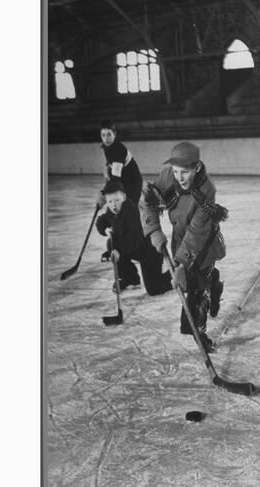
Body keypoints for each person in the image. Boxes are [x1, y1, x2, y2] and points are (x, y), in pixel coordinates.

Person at [139, 142, 226, 353]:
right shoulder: (168, 177)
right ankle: (214, 282)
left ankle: (200, 333)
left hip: (203, 245)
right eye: (176, 171)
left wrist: (180, 266)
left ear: (196, 168)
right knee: (190, 284)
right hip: (181, 239)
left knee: (196, 291)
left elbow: (197, 233)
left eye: (184, 172)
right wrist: (154, 231)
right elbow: (147, 201)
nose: (179, 177)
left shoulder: (206, 191)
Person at [96, 180, 172, 296]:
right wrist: (105, 230)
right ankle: (130, 278)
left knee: (154, 289)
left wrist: (118, 251)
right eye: (110, 201)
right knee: (111, 242)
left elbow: (134, 240)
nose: (114, 204)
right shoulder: (111, 211)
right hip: (133, 249)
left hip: (149, 251)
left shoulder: (132, 211)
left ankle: (174, 274)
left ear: (124, 197)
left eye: (117, 200)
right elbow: (101, 220)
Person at [98, 119, 143, 264]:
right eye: (103, 135)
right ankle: (116, 247)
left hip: (132, 184)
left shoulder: (119, 149)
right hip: (122, 182)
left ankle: (130, 247)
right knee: (116, 213)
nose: (106, 138)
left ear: (115, 134)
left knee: (126, 212)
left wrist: (104, 194)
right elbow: (111, 168)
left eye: (109, 135)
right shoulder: (107, 147)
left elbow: (116, 177)